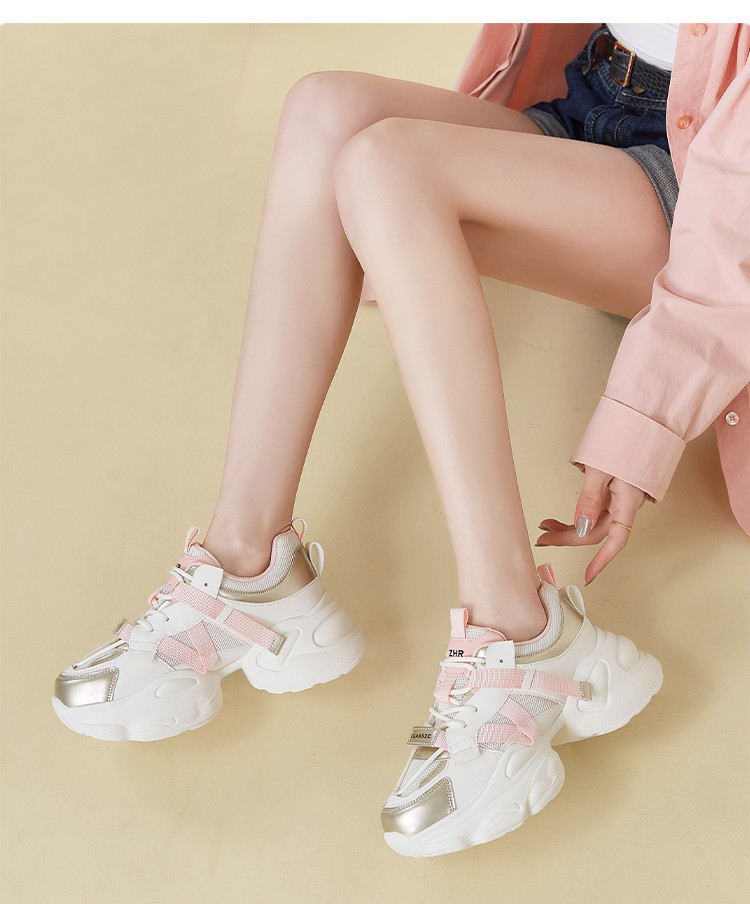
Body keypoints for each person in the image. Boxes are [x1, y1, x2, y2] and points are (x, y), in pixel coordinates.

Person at [51, 23, 749, 857]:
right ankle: (249, 561)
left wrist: (646, 418)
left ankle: (518, 627)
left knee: (387, 169)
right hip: (591, 95)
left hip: (707, 193)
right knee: (324, 112)